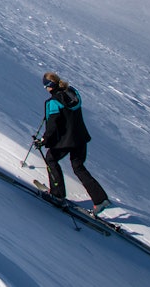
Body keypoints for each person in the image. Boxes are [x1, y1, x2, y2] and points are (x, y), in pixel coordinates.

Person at [34, 72, 112, 215]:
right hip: (81, 138)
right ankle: (100, 199)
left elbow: (52, 126)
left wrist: (43, 141)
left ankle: (57, 194)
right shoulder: (72, 92)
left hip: (66, 141)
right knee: (78, 167)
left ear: (49, 87)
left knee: (51, 158)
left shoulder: (52, 103)